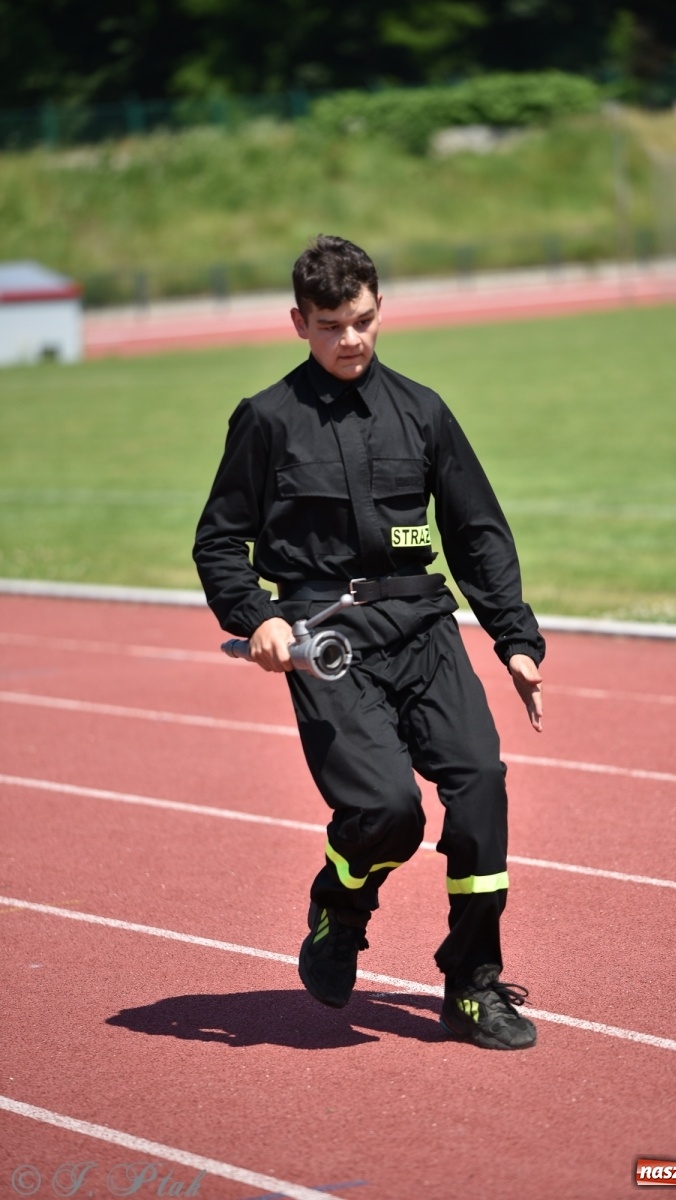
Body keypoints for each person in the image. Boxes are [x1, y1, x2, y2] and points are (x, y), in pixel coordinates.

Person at [194, 235, 545, 1052]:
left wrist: (513, 638)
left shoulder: (423, 410)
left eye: (360, 320)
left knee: (481, 785)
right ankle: (340, 907)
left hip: (423, 626)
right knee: (388, 810)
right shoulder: (266, 420)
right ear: (298, 323)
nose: (348, 340)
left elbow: (476, 531)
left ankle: (471, 985)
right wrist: (258, 618)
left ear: (380, 308)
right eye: (328, 326)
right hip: (325, 640)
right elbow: (218, 543)